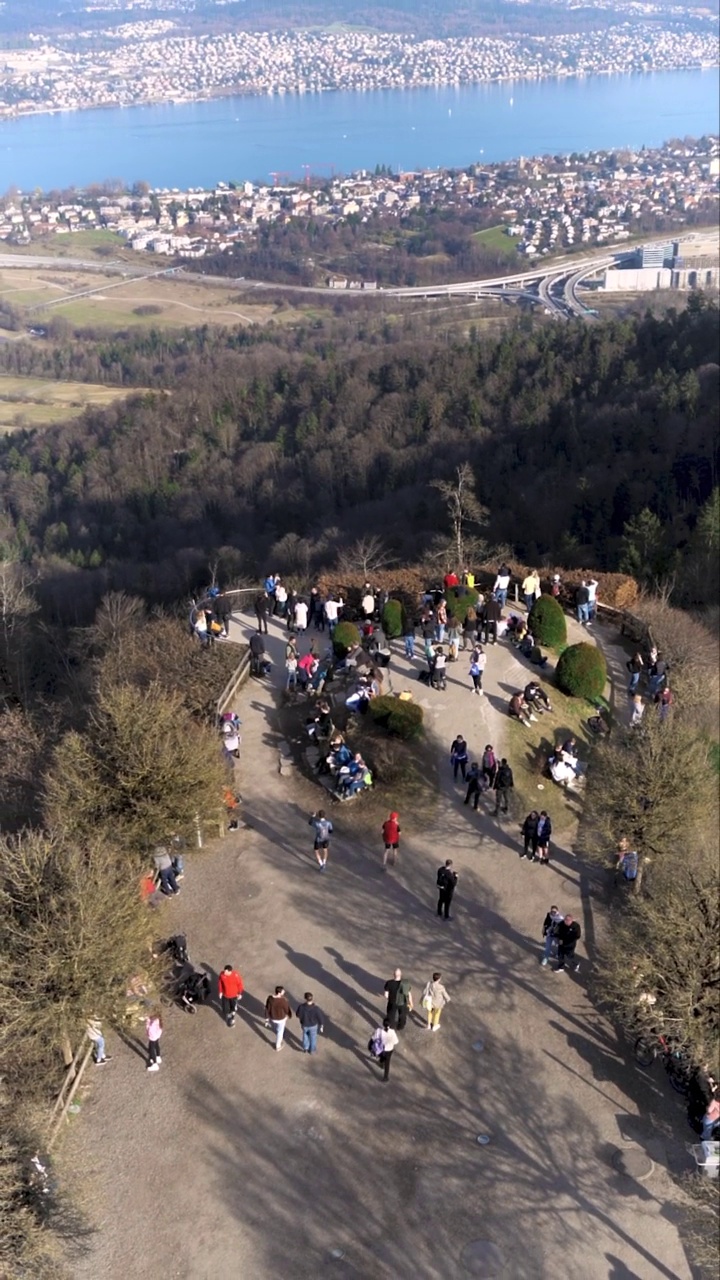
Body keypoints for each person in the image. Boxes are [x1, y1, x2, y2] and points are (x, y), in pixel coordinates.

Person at [265, 985, 293, 1051]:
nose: (284, 992)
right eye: (283, 991)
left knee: (277, 1027)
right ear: (279, 993)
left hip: (273, 1018)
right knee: (280, 1032)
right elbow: (287, 1009)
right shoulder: (283, 1001)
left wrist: (266, 1018)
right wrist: (289, 1015)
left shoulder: (270, 998)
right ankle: (278, 1046)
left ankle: (277, 1029)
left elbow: (267, 1009)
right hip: (281, 1019)